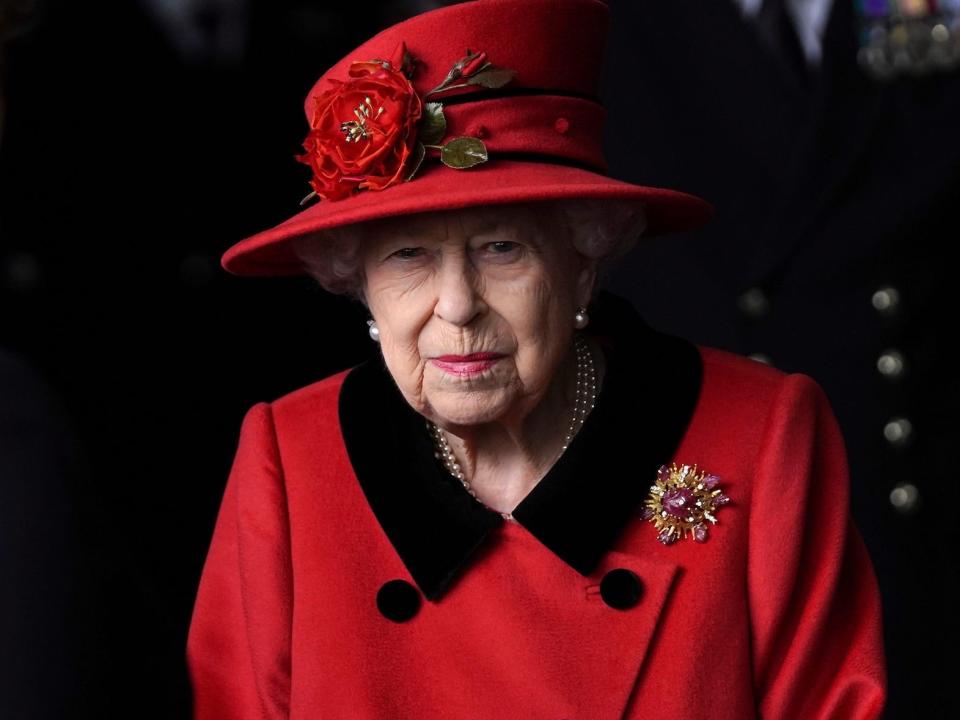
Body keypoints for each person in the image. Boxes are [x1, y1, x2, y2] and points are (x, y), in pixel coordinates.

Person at [186, 0, 886, 717]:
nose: (457, 305)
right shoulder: (290, 458)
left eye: (501, 248)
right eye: (408, 256)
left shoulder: (761, 434)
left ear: (584, 262)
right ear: (358, 285)